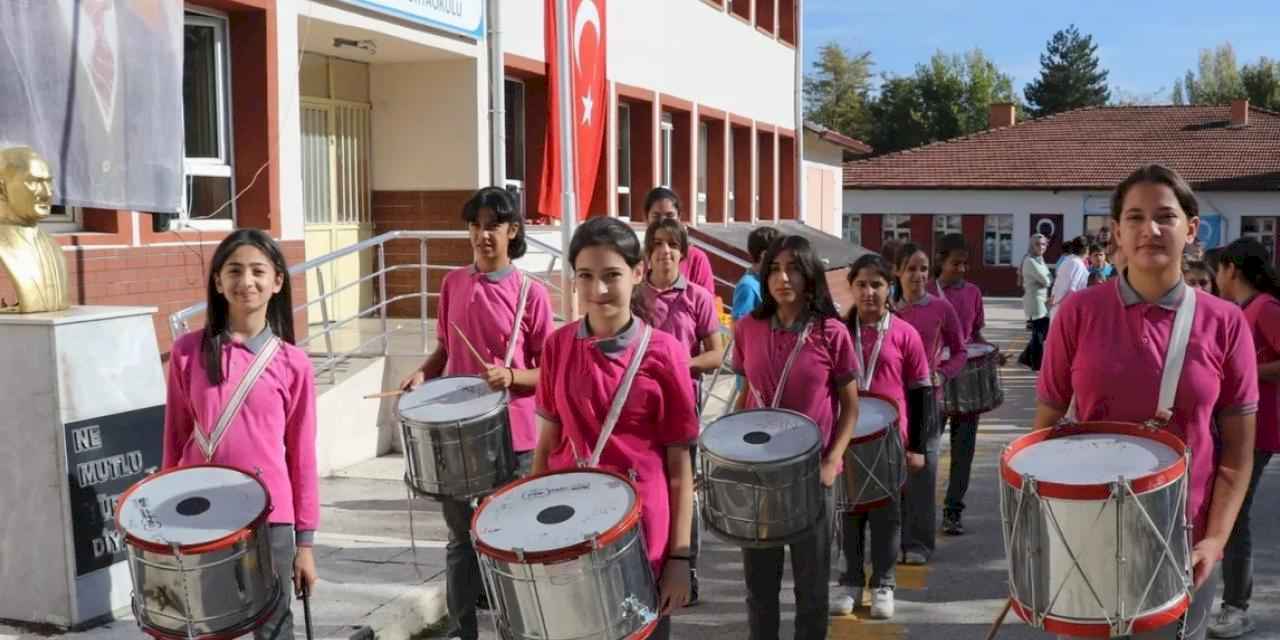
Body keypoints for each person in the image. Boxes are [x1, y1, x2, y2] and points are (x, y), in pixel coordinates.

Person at [1035, 164, 1259, 640]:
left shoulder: (1226, 323)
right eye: (1134, 218)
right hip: (1088, 537)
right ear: (1116, 231)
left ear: (1191, 230)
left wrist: (1215, 540)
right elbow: (1045, 432)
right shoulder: (1078, 312)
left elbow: (1238, 456)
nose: (1149, 230)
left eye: (1165, 216)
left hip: (1184, 541)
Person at [398, 187, 554, 640]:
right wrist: (423, 375)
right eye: (475, 225)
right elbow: (445, 348)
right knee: (459, 543)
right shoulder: (452, 283)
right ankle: (463, 630)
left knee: (509, 541)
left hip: (514, 438)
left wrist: (513, 376)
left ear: (513, 231)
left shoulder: (533, 294)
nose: (483, 234)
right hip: (455, 438)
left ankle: (517, 630)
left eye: (493, 225)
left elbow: (550, 371)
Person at [532, 216, 697, 638]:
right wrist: (533, 525)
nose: (598, 290)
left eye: (611, 276)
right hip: (568, 524)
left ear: (638, 273)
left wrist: (680, 559)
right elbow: (547, 444)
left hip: (640, 532)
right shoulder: (558, 345)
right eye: (585, 276)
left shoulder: (665, 353)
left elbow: (679, 467)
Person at [163, 229, 318, 640]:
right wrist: (163, 518)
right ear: (217, 281)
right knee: (209, 628)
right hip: (201, 513)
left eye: (257, 271)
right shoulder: (186, 352)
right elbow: (174, 436)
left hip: (270, 517)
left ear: (277, 281)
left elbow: (301, 457)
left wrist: (306, 543)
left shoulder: (294, 363)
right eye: (233, 270)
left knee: (273, 628)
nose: (245, 281)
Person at [732, 234, 859, 639]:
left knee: (812, 588)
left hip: (810, 476)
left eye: (792, 269)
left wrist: (831, 461)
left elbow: (850, 407)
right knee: (760, 588)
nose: (782, 278)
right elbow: (743, 395)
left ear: (809, 276)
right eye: (774, 269)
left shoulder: (831, 332)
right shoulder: (747, 328)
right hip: (759, 477)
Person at [831, 254, 932, 620]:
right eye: (861, 284)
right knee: (849, 514)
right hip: (849, 438)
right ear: (852, 288)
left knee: (887, 517)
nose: (869, 292)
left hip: (890, 440)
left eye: (877, 284)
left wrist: (917, 446)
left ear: (889, 288)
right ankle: (850, 583)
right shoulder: (839, 332)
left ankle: (884, 585)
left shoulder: (905, 333)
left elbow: (921, 391)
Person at [642, 216, 725, 605]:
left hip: (682, 411)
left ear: (684, 253)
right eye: (657, 243)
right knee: (645, 492)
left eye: (672, 244)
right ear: (647, 252)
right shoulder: (635, 296)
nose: (665, 251)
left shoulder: (698, 298)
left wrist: (680, 365)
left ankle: (685, 571)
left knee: (682, 492)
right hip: (640, 414)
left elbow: (716, 353)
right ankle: (645, 570)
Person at [1207, 238, 1280, 639]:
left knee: (1234, 517)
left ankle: (1237, 607)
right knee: (1226, 514)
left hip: (1260, 430)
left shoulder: (1265, 308)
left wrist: (1247, 369)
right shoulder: (1243, 310)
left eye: (1217, 269)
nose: (1215, 279)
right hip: (1239, 429)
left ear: (1231, 268)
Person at [891, 242, 966, 565]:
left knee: (924, 470)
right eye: (911, 268)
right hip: (892, 403)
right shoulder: (888, 310)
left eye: (923, 268)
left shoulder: (941, 308)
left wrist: (943, 373)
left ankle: (919, 543)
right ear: (897, 272)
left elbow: (960, 350)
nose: (918, 275)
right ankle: (893, 539)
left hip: (927, 401)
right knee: (894, 472)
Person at [929, 234, 988, 536]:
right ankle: (919, 511)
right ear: (939, 260)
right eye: (956, 263)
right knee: (926, 450)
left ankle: (953, 511)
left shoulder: (973, 293)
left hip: (966, 381)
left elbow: (976, 336)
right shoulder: (923, 291)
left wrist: (991, 352)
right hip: (932, 381)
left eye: (965, 264)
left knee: (963, 450)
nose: (962, 269)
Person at [645, 187, 716, 295]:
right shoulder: (636, 258)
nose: (663, 221)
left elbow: (707, 303)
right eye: (656, 216)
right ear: (646, 219)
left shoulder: (696, 258)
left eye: (670, 215)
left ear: (679, 218)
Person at [731, 226, 783, 321]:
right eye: (779, 253)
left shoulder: (770, 280)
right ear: (764, 255)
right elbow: (740, 326)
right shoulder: (748, 286)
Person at [1018, 233, 1052, 371]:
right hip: (1035, 300)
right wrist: (1047, 279)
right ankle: (1036, 363)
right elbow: (1047, 280)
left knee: (1042, 331)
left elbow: (1046, 279)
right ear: (1031, 245)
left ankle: (1025, 358)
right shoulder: (1030, 261)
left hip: (1042, 299)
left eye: (1043, 244)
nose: (1041, 247)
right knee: (1039, 333)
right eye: (1037, 244)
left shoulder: (1039, 259)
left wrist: (1047, 279)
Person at [1050, 237, 1089, 314]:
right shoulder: (1078, 264)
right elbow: (1072, 289)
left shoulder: (1066, 261)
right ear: (1086, 249)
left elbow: (1056, 283)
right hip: (1068, 308)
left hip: (1059, 306)